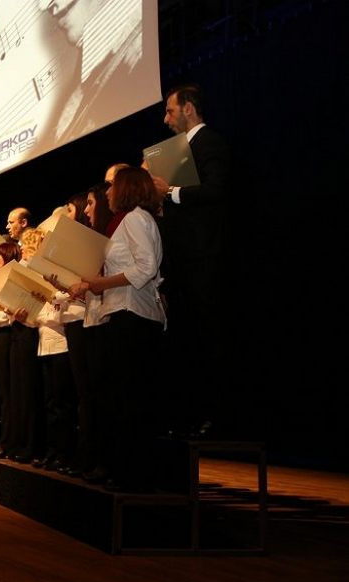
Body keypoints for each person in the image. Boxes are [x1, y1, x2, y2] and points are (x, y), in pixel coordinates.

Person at [69, 167, 166, 492]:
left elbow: (147, 267)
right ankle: (124, 470)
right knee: (121, 398)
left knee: (128, 399)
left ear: (126, 188)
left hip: (133, 316)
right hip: (122, 314)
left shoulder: (136, 217)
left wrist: (101, 282)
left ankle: (131, 474)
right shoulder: (127, 220)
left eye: (111, 187)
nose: (106, 192)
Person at [149, 83, 231, 437]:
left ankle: (211, 415)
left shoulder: (210, 141)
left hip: (203, 257)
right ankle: (188, 413)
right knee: (185, 339)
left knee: (205, 335)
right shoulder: (180, 149)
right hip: (183, 259)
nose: (165, 118)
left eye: (170, 110)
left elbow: (218, 189)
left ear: (189, 109)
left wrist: (171, 191)